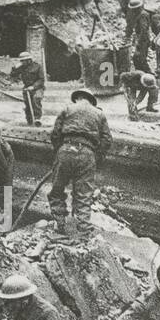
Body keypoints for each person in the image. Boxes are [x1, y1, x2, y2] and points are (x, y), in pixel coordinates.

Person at [48, 88, 111, 240]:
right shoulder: (99, 113)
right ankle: (83, 230)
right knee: (84, 194)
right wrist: (95, 155)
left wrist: (60, 151)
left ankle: (59, 225)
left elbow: (55, 134)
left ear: (77, 98)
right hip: (87, 153)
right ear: (91, 100)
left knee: (57, 190)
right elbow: (107, 140)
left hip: (65, 149)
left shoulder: (67, 109)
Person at [13, 51, 44, 126]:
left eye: (23, 61)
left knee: (36, 99)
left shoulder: (38, 66)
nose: (22, 62)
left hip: (37, 87)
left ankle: (37, 119)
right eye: (21, 61)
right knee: (28, 104)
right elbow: (13, 75)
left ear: (29, 60)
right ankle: (29, 120)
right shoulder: (21, 67)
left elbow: (41, 79)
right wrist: (14, 68)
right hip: (26, 88)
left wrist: (33, 87)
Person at [127, 0, 153, 73]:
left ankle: (149, 74)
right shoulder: (141, 13)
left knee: (139, 59)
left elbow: (144, 30)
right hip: (142, 39)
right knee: (139, 59)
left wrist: (139, 42)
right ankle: (141, 74)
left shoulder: (142, 15)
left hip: (143, 40)